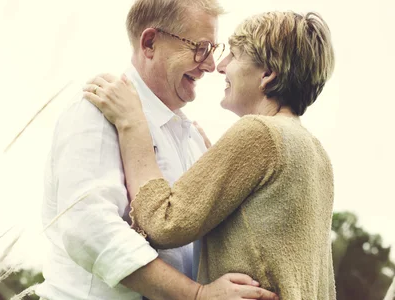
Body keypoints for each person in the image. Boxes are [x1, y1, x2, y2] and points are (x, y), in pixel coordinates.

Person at [83, 10, 336, 300]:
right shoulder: (315, 153)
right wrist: (218, 161)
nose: (220, 65)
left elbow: (164, 222)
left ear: (267, 75)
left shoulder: (258, 133)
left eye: (236, 54)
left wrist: (133, 126)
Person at [36, 0, 279, 299]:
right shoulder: (97, 112)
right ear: (150, 43)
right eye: (200, 48)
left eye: (212, 50)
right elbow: (88, 229)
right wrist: (197, 295)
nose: (210, 65)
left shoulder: (191, 139)